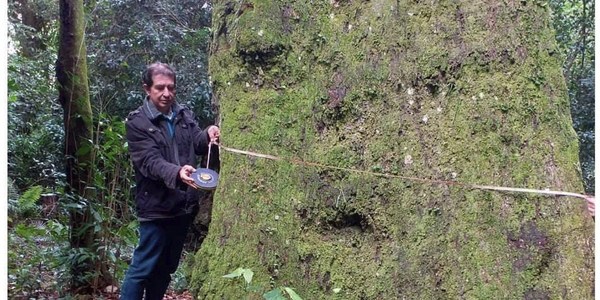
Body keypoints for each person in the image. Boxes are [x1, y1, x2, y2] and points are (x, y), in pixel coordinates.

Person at [120, 62, 220, 299]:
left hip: (183, 205)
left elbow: (196, 142)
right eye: (160, 88)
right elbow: (149, 161)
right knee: (143, 268)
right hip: (156, 208)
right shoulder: (138, 122)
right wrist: (177, 173)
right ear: (147, 89)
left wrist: (208, 134)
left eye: (171, 88)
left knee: (166, 269)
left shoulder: (183, 114)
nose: (167, 93)